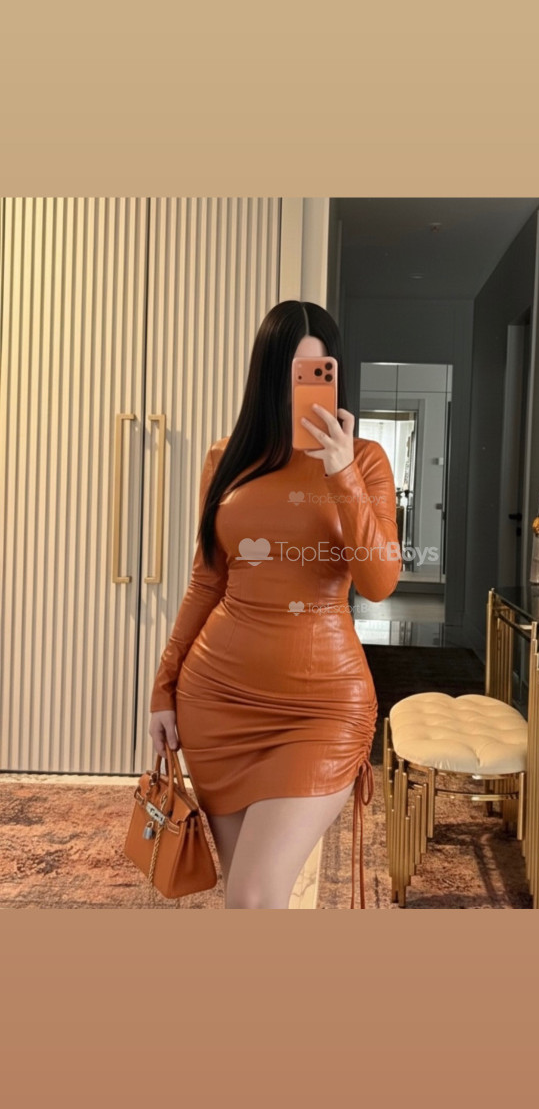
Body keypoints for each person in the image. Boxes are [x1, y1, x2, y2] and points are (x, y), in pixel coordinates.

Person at [148, 299, 401, 908]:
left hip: (323, 710)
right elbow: (206, 582)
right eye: (292, 374)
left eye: (317, 374)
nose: (303, 391)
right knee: (250, 897)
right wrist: (164, 686)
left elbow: (379, 581)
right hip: (217, 702)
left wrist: (340, 472)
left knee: (254, 894)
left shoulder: (365, 461)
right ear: (266, 375)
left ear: (335, 378)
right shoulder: (226, 459)